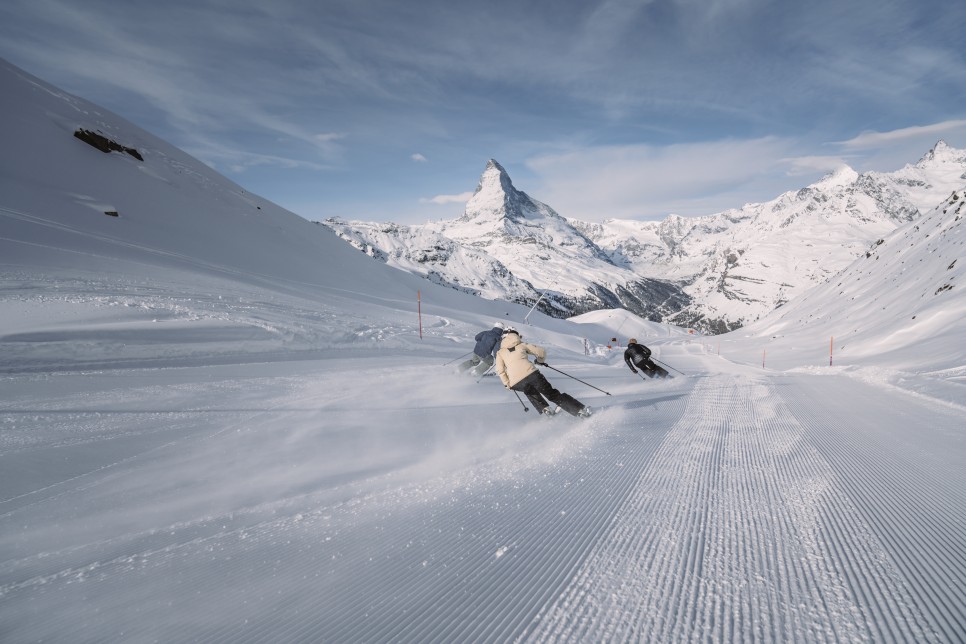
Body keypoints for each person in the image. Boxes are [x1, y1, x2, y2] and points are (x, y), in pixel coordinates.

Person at [495, 328, 592, 417]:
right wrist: (539, 361)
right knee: (551, 394)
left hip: (516, 382)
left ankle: (546, 409)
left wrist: (507, 384)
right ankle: (579, 410)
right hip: (532, 375)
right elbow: (541, 352)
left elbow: (500, 370)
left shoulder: (500, 353)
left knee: (529, 391)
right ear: (516, 337)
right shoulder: (521, 345)